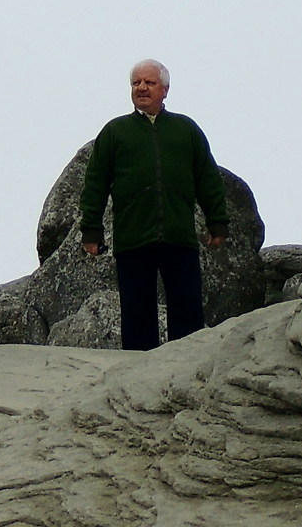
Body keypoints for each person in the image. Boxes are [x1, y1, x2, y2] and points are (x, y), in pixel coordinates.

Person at [77, 59, 231, 350]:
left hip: (179, 237)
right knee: (136, 315)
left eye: (149, 82)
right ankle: (136, 377)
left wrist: (217, 221)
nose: (142, 88)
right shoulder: (114, 132)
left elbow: (207, 178)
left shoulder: (186, 129)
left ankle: (186, 371)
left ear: (165, 90)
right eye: (136, 83)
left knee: (187, 313)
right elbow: (95, 183)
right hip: (133, 238)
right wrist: (91, 230)